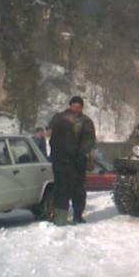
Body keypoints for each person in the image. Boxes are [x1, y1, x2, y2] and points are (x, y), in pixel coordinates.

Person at [48, 96, 97, 225]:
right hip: (62, 159)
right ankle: (59, 216)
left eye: (78, 106)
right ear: (70, 106)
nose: (76, 108)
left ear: (82, 108)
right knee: (61, 188)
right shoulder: (59, 118)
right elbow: (50, 135)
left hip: (79, 160)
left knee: (78, 189)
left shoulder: (86, 121)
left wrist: (90, 159)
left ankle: (77, 215)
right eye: (74, 106)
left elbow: (91, 142)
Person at [47, 110, 78, 226]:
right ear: (71, 117)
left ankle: (57, 217)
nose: (75, 120)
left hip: (56, 162)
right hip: (66, 163)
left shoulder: (56, 128)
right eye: (74, 118)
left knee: (58, 188)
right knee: (65, 190)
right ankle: (62, 219)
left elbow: (51, 143)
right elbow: (71, 147)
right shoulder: (69, 129)